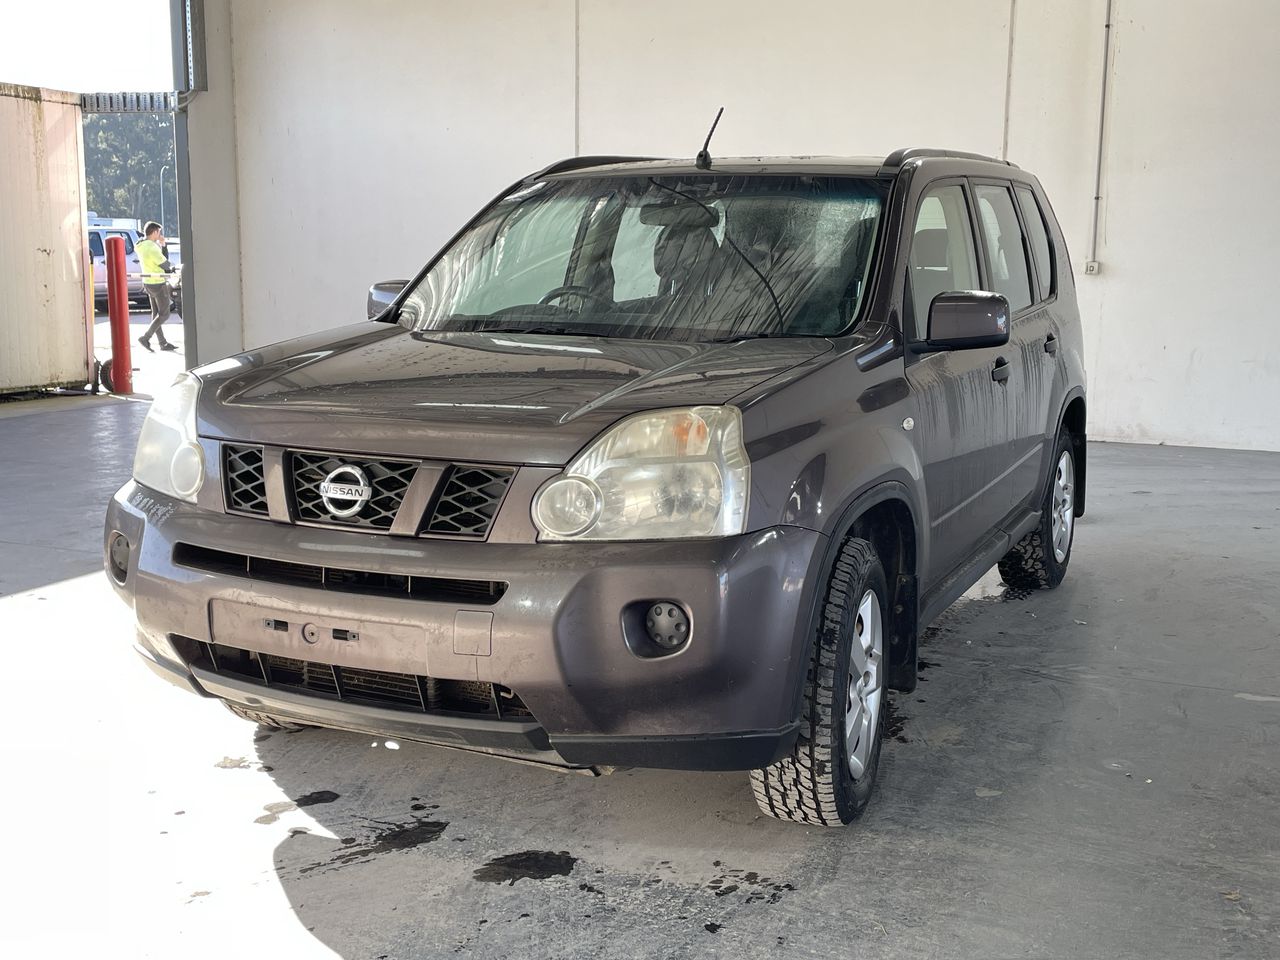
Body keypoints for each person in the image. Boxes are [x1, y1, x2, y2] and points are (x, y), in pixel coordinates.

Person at [136, 221, 177, 352]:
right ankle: (145, 337)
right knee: (164, 314)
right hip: (158, 283)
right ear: (154, 232)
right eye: (159, 232)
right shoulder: (152, 247)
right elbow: (165, 264)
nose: (160, 235)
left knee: (156, 315)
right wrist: (163, 246)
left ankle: (162, 343)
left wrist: (161, 244)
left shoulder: (140, 245)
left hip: (148, 282)